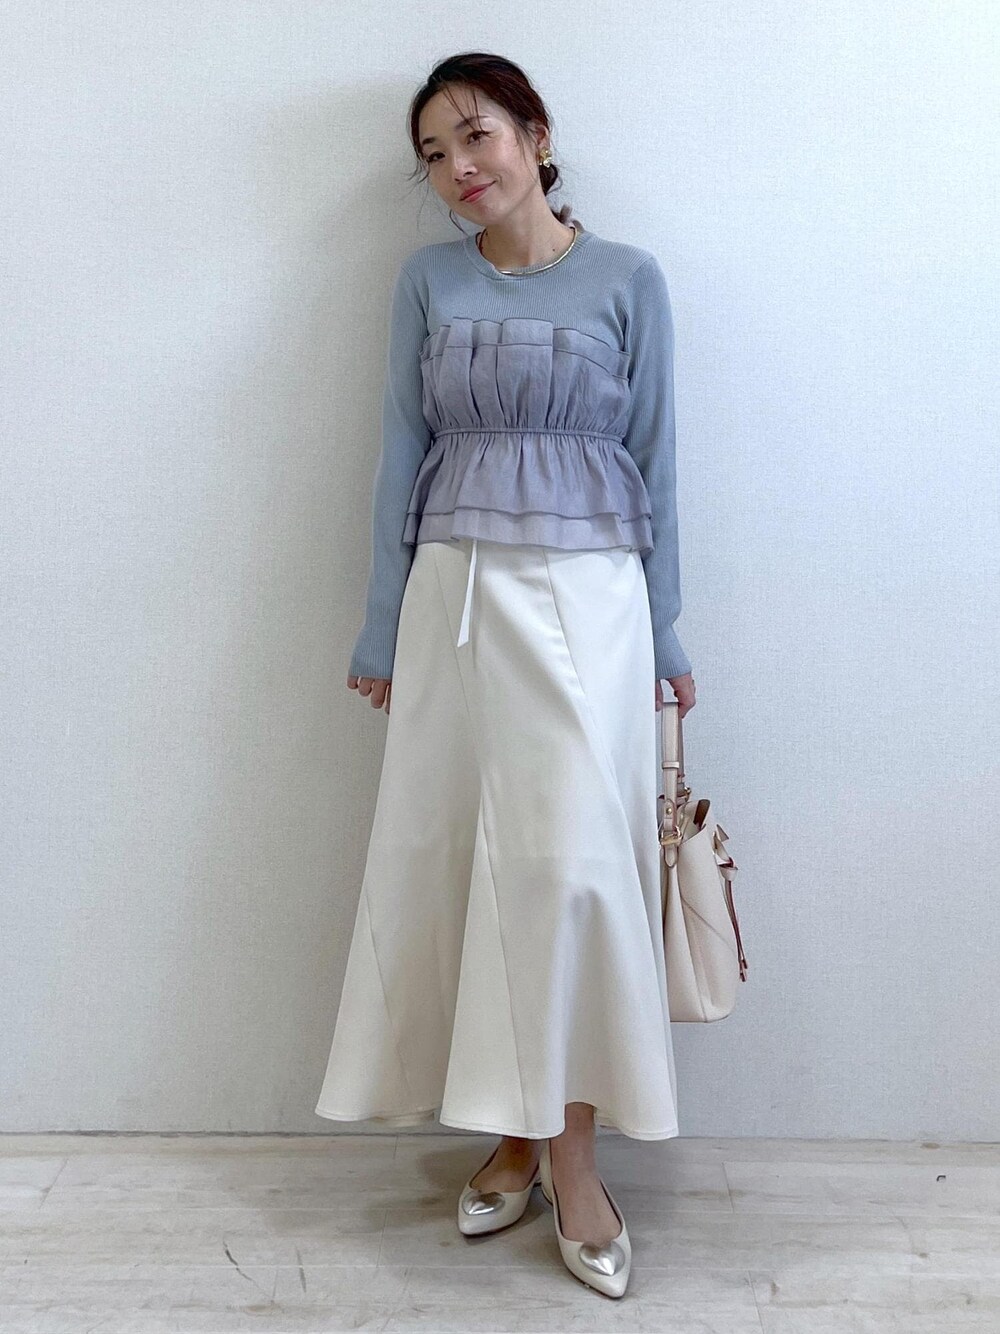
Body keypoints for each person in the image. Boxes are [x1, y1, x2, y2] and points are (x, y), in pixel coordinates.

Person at [315, 51, 697, 1299]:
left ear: (534, 133)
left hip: (593, 601)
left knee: (569, 869)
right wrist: (382, 627)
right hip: (457, 601)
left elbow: (657, 462)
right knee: (469, 866)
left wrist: (668, 633)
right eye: (433, 154)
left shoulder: (628, 279)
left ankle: (572, 1155)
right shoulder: (426, 282)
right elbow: (399, 453)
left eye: (475, 135)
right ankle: (515, 1133)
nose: (457, 168)